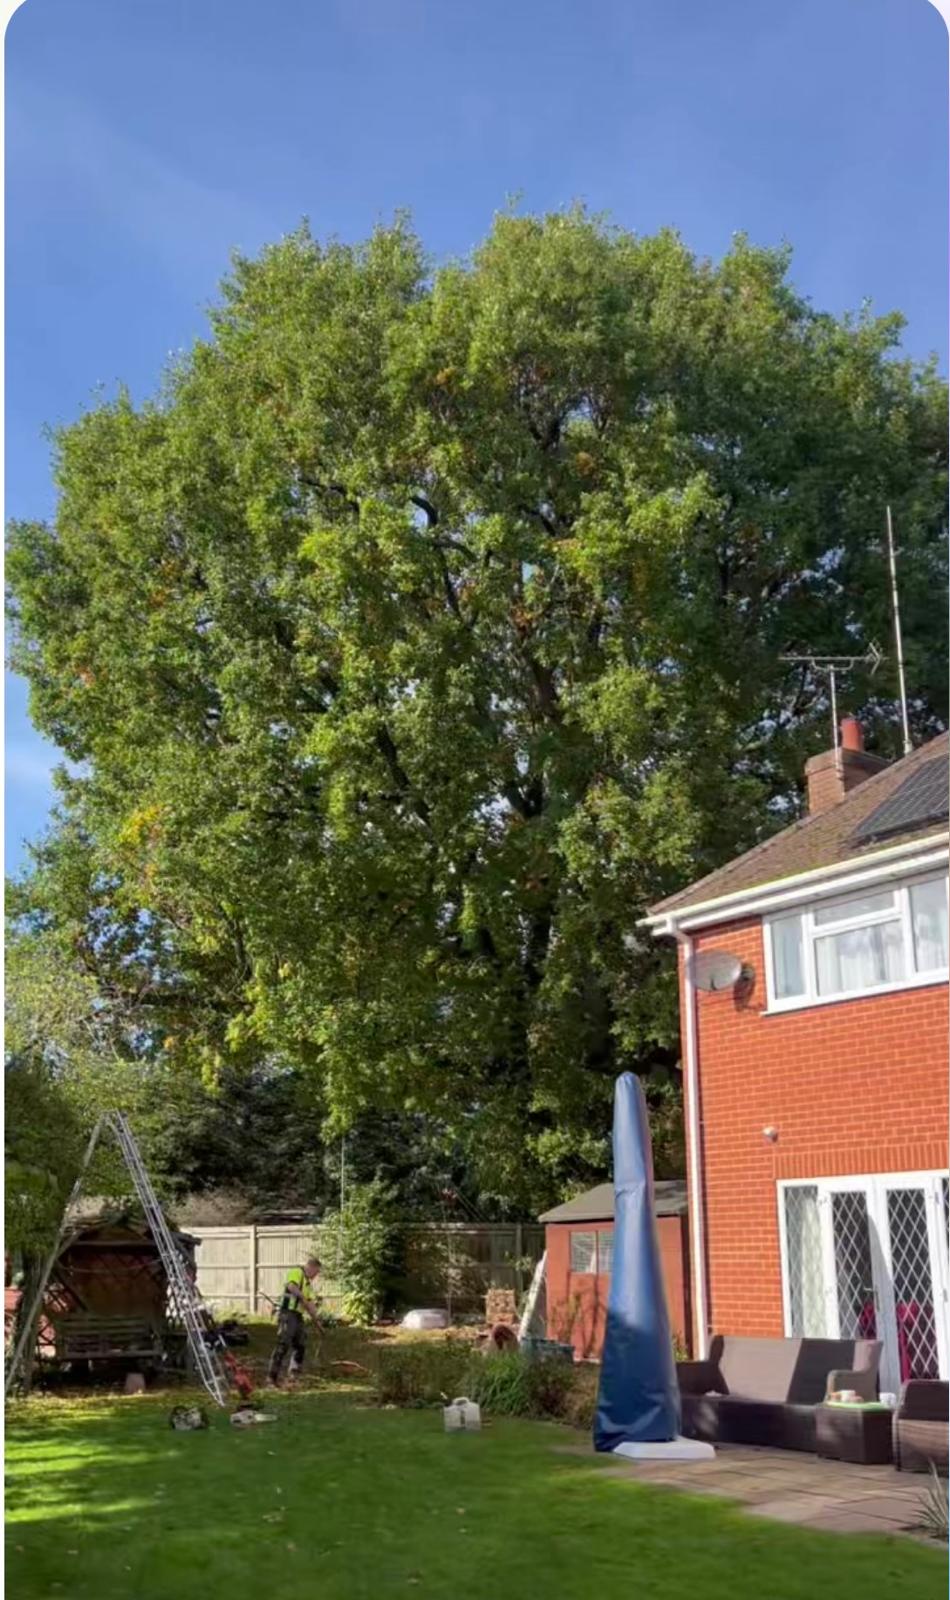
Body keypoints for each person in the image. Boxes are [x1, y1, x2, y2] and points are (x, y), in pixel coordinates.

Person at [267, 1256, 322, 1387]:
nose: (316, 1275)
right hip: (287, 1313)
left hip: (298, 1316)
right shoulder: (296, 1272)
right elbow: (292, 1286)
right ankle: (271, 1378)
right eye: (316, 1272)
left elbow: (310, 1306)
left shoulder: (308, 1285)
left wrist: (318, 1323)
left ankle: (293, 1375)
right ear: (311, 1267)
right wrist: (303, 1298)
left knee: (301, 1344)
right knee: (283, 1344)